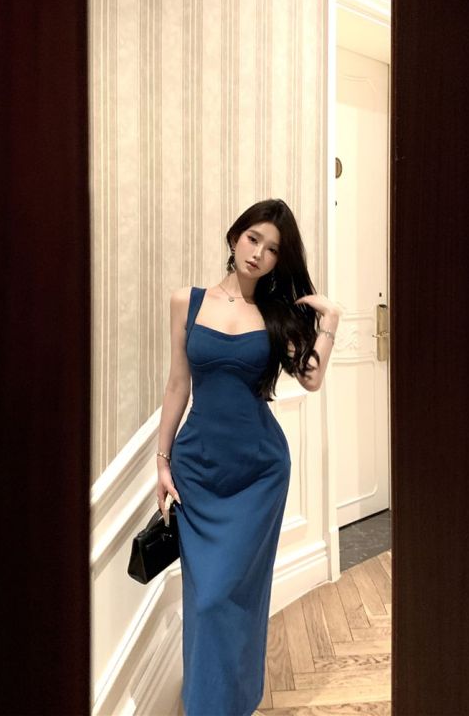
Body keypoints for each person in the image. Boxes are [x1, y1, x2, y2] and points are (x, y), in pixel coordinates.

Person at [155, 198, 341, 716]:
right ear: (235, 236)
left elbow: (311, 378)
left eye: (272, 249)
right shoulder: (187, 302)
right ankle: (206, 703)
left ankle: (233, 701)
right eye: (253, 238)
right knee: (205, 598)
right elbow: (177, 385)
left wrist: (330, 319)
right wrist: (162, 461)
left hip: (258, 474)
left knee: (234, 596)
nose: (258, 253)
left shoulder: (276, 315)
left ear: (280, 260)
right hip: (197, 471)